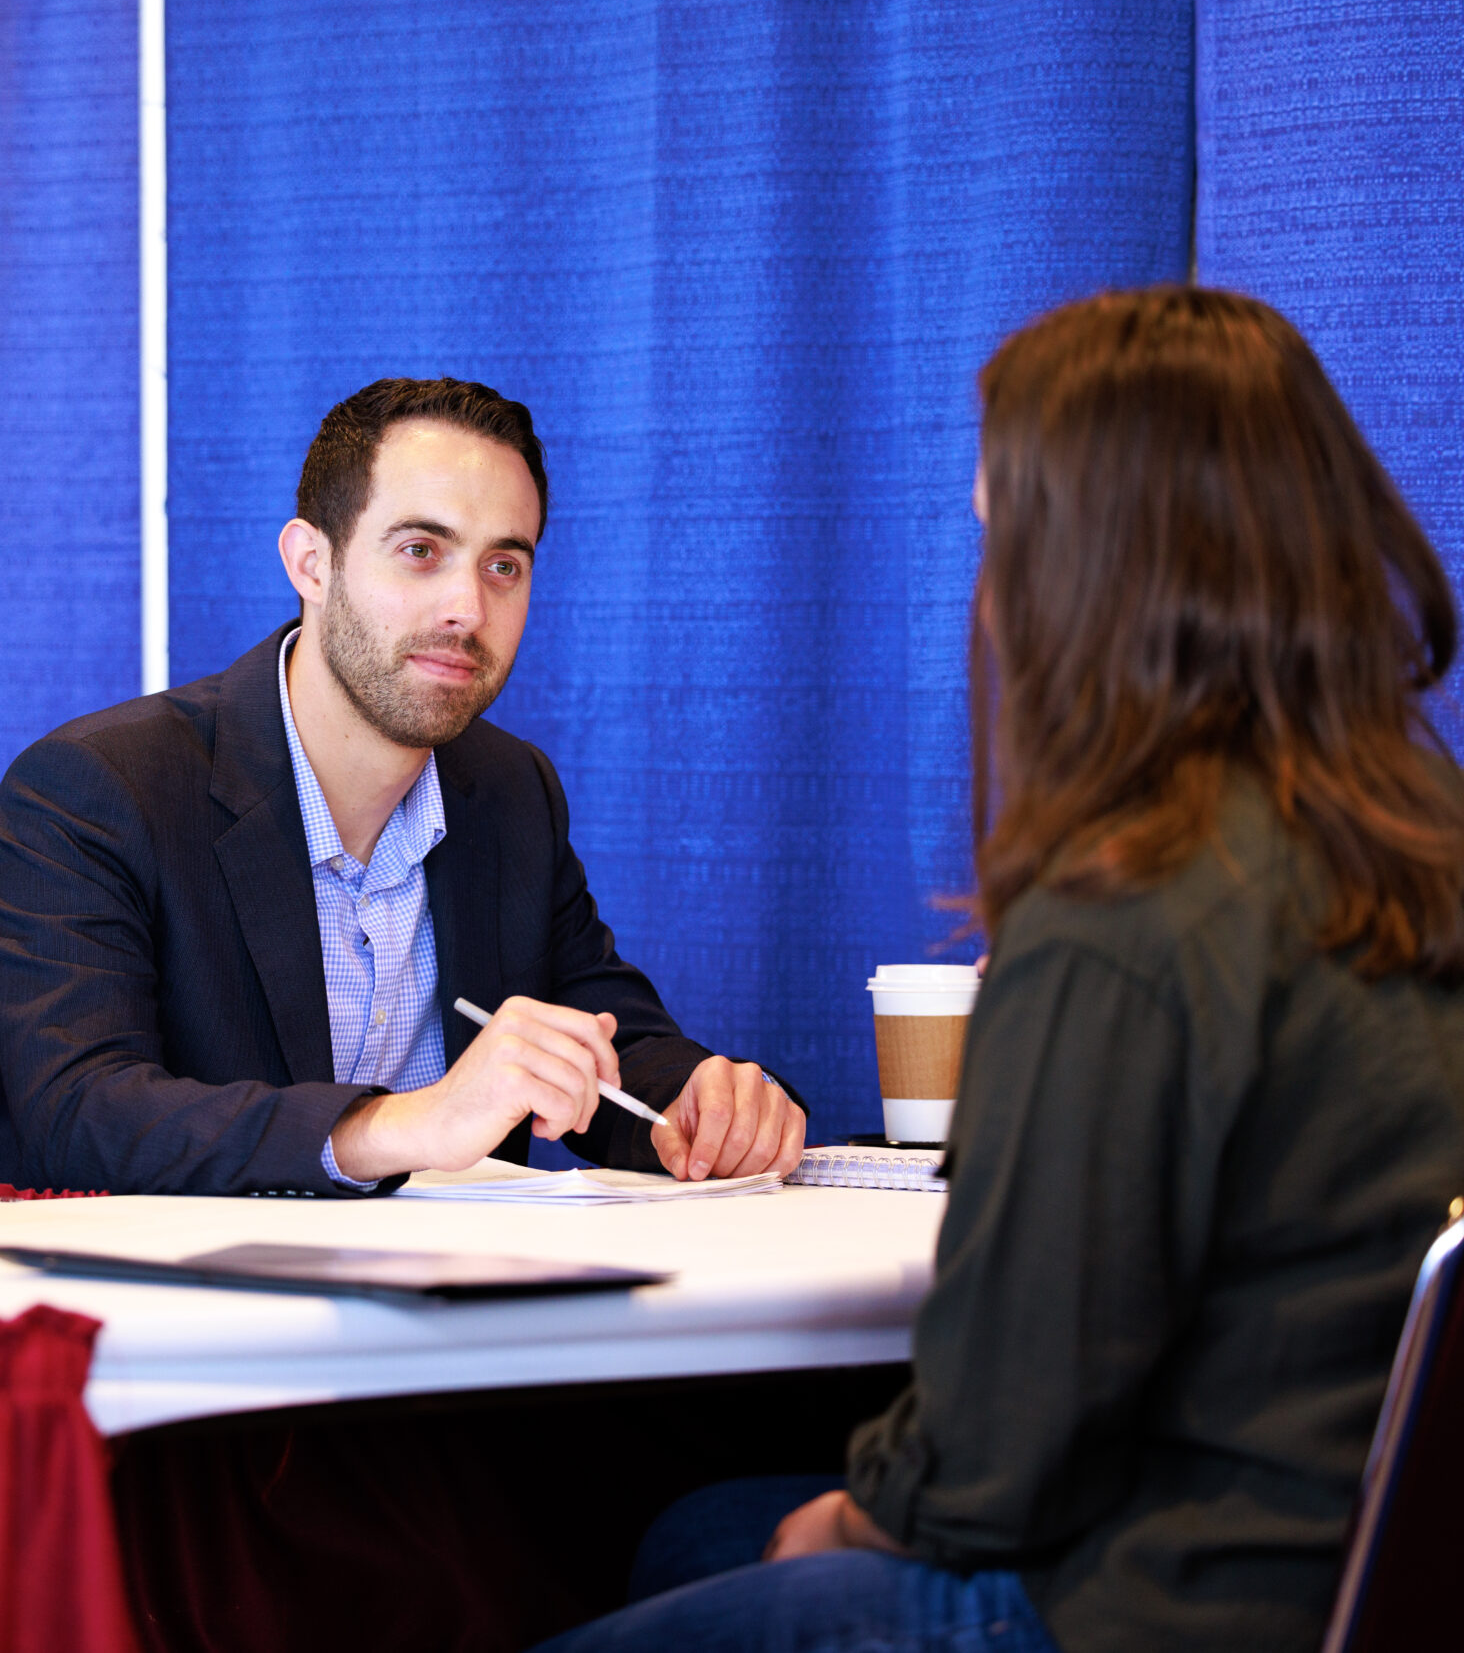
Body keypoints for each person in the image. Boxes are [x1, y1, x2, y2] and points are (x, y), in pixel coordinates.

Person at [530, 288, 1464, 1653]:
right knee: (698, 1536)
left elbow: (1005, 1443)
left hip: (1160, 1602)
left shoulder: (1128, 909)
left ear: (1092, 569)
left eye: (997, 536)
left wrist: (854, 1521)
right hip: (1364, 1574)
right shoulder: (1419, 855)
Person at [0, 376, 805, 1194]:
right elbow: (79, 1116)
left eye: (504, 566)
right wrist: (409, 1124)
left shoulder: (511, 792)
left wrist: (703, 1104)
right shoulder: (97, 788)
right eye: (420, 551)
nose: (467, 609)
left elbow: (612, 1049)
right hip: (172, 1311)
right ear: (312, 563)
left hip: (452, 1312)